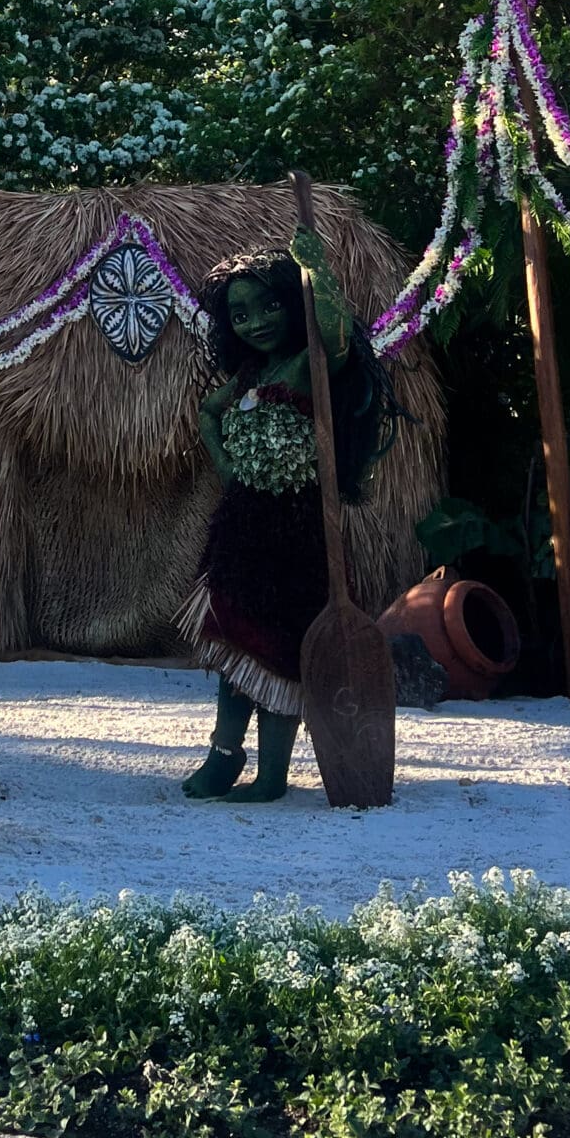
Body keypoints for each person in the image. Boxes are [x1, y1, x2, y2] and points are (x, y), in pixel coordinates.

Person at [178, 224, 387, 802]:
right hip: (241, 526)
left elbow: (337, 339)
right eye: (242, 314)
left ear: (291, 305)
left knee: (278, 649)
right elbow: (207, 412)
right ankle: (223, 756)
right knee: (230, 643)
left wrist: (316, 271)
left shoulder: (305, 365)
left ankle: (272, 775)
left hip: (294, 531)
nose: (257, 321)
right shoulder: (248, 376)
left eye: (270, 305)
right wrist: (226, 465)